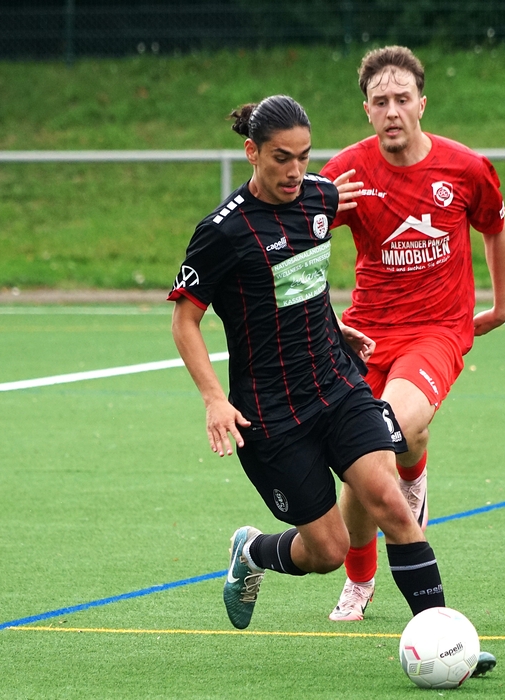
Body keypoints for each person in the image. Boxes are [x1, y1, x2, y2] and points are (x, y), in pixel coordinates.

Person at [168, 94, 447, 631]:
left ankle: (441, 636)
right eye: (282, 158)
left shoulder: (320, 197)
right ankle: (252, 552)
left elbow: (303, 276)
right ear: (252, 152)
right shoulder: (223, 232)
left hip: (337, 386)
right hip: (272, 414)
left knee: (390, 501)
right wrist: (213, 399)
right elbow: (185, 321)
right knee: (327, 551)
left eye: (303, 156)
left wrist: (333, 327)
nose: (296, 171)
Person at [320, 46, 505, 630]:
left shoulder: (465, 168)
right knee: (366, 458)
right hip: (365, 334)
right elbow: (299, 243)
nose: (392, 111)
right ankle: (360, 577)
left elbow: (495, 228)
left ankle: (403, 481)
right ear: (366, 110)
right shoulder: (346, 173)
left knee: (377, 438)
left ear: (422, 104)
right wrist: (326, 319)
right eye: (380, 101)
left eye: (402, 99)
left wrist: (502, 305)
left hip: (437, 330)